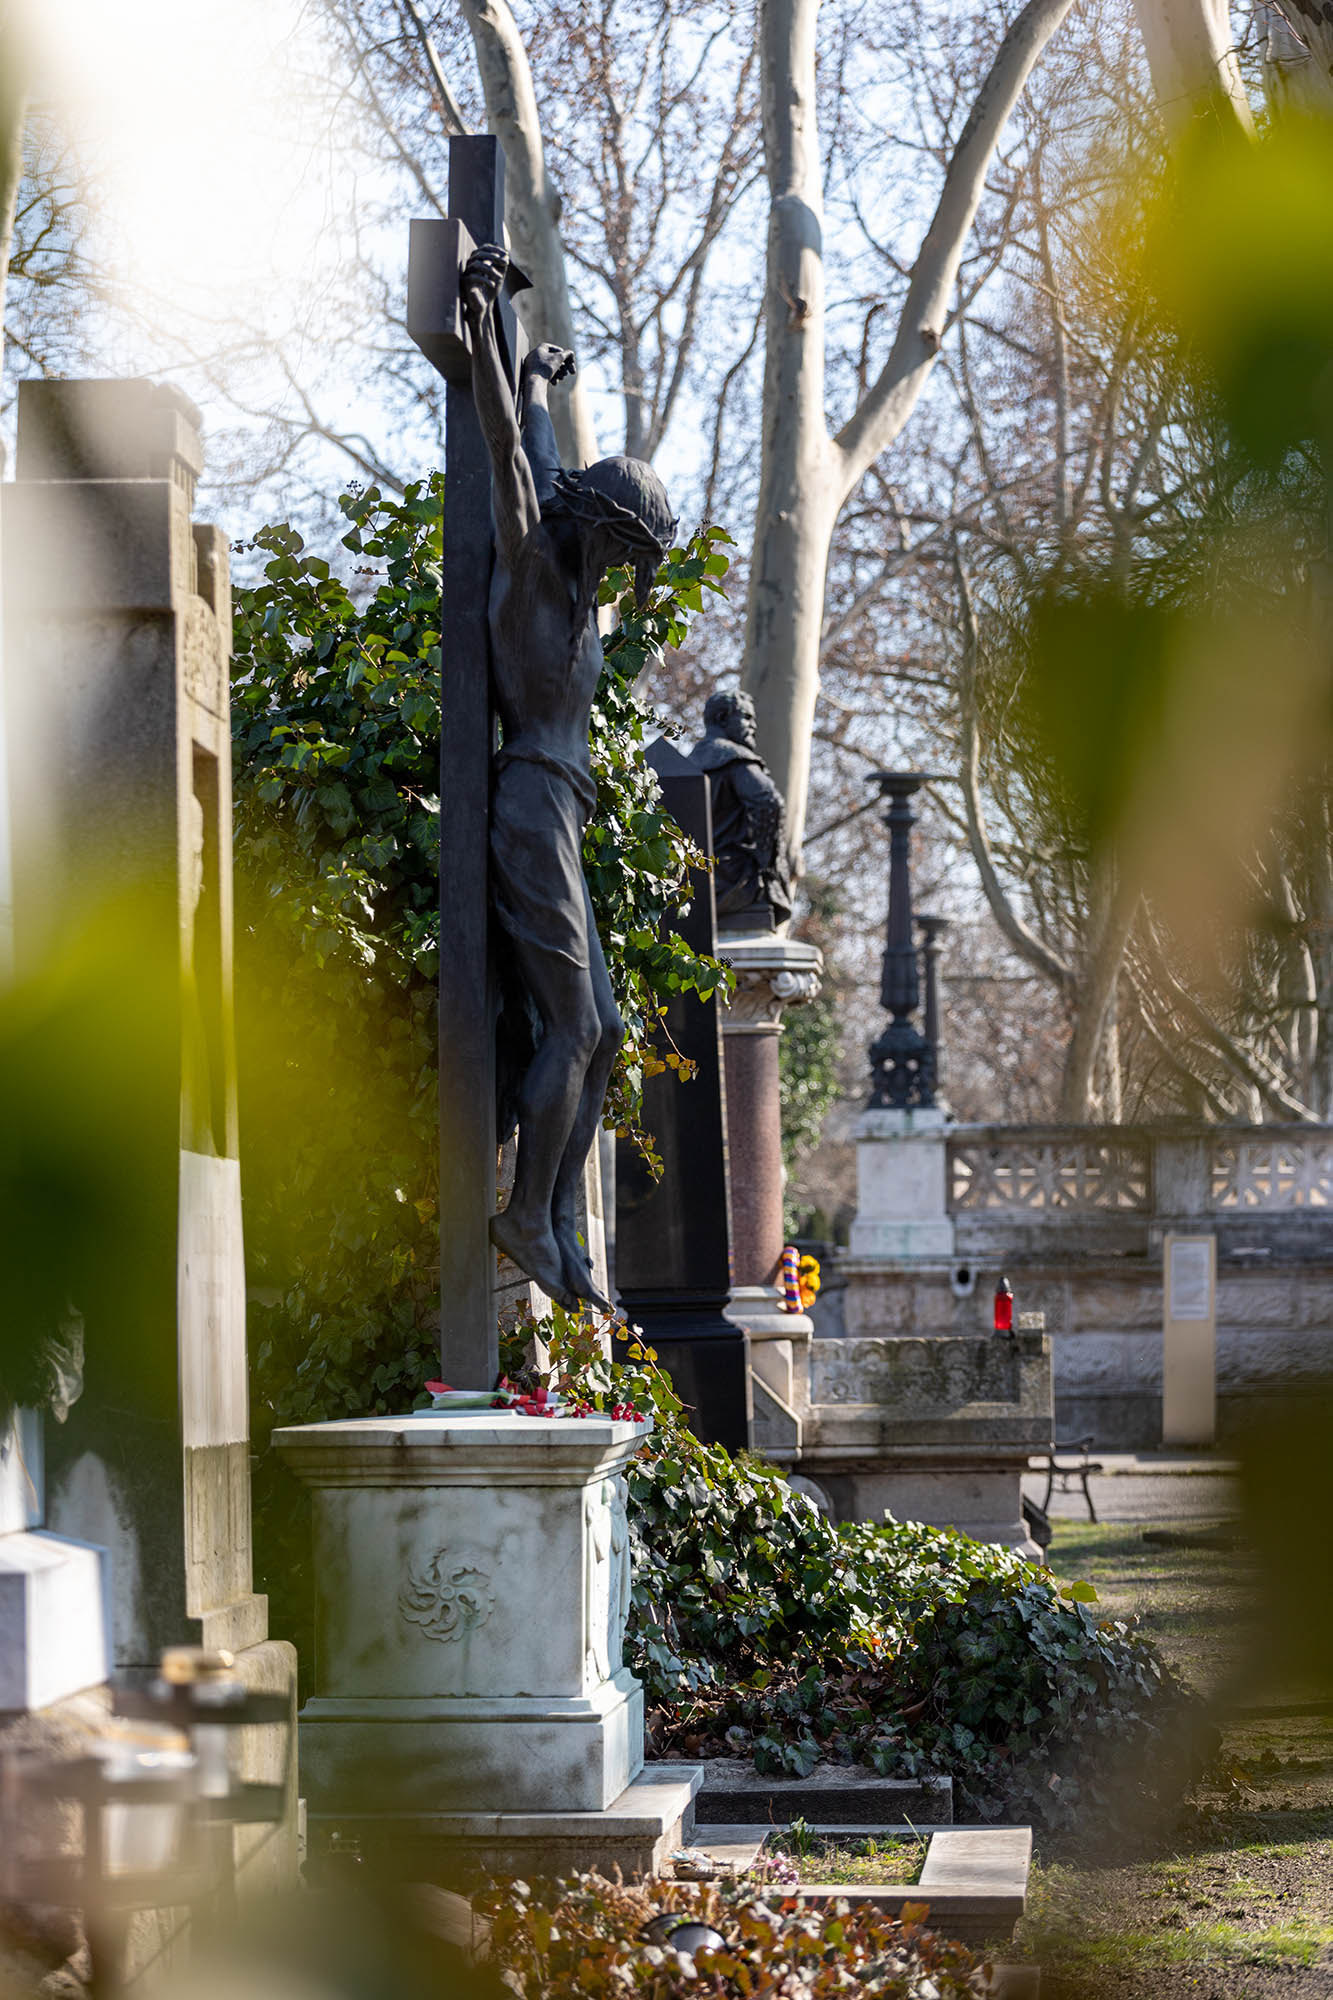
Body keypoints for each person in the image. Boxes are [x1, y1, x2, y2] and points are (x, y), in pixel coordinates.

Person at [461, 242, 676, 1309]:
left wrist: (542, 377)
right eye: (630, 556)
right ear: (601, 529)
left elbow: (537, 440)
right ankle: (525, 1214)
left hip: (563, 805)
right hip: (528, 801)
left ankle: (546, 1216)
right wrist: (486, 322)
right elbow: (505, 446)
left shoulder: (580, 577)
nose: (630, 581)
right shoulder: (538, 563)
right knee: (578, 1026)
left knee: (610, 1032)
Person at [689, 689, 793, 928]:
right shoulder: (736, 759)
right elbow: (769, 802)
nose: (754, 725)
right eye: (746, 717)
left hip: (698, 882)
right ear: (723, 718)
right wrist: (764, 859)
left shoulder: (688, 763)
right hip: (737, 879)